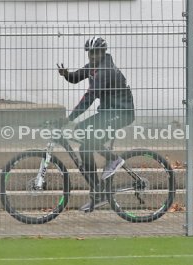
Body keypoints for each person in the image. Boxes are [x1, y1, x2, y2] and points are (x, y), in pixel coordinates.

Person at [57, 37, 135, 212]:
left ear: (103, 52)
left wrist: (69, 118)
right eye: (90, 53)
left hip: (121, 113)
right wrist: (67, 75)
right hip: (108, 112)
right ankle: (98, 191)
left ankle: (114, 160)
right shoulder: (94, 67)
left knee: (85, 136)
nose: (93, 56)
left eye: (96, 53)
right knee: (83, 142)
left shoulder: (105, 71)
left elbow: (89, 98)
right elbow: (77, 77)